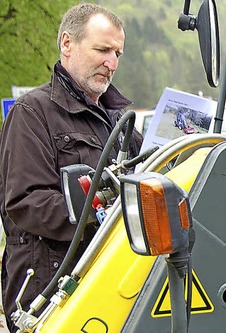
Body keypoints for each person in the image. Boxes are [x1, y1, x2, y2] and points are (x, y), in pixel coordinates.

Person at [0, 4, 142, 330]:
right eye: (103, 50)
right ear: (67, 44)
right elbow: (26, 203)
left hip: (109, 283)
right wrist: (104, 208)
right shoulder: (31, 113)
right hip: (52, 293)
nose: (112, 63)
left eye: (118, 53)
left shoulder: (119, 120)